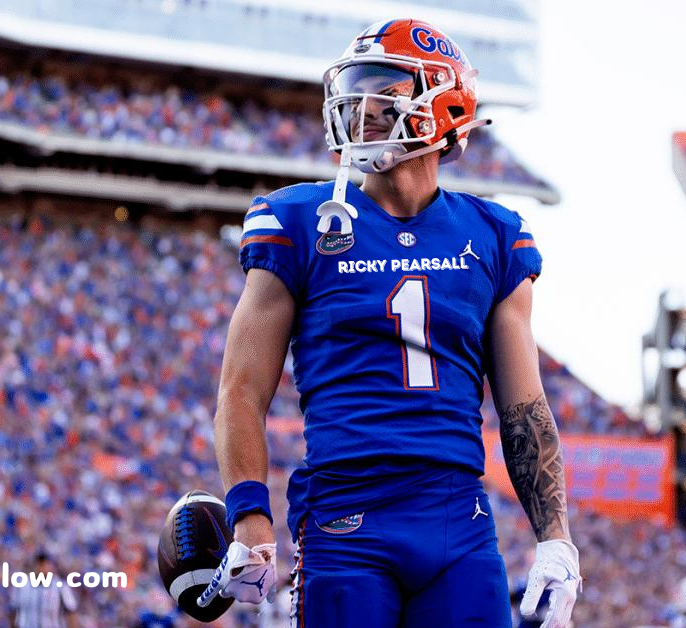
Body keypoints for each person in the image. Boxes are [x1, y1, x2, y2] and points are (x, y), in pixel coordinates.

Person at [196, 18, 581, 628]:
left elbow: (523, 408)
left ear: (443, 103)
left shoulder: (495, 234)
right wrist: (250, 516)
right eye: (356, 91)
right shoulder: (299, 220)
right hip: (345, 517)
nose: (362, 107)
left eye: (384, 90)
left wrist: (555, 538)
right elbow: (240, 391)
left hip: (459, 520)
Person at [8, 552, 77, 628]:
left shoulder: (61, 587)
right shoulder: (21, 586)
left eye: (45, 564)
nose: (42, 568)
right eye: (39, 564)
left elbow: (71, 613)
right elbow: (13, 612)